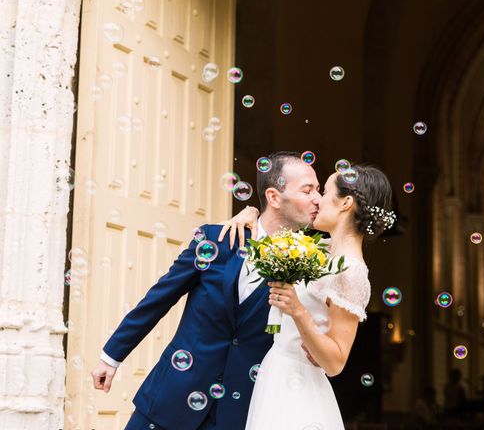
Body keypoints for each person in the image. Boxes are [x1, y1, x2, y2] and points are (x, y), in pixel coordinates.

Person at [90, 151, 322, 430]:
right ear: (273, 197)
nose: (317, 199)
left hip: (240, 412)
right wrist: (111, 356)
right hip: (172, 396)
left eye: (319, 190)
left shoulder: (311, 264)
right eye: (308, 190)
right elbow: (160, 298)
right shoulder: (218, 239)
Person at [243, 164, 395, 429]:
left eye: (324, 192)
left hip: (299, 387)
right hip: (276, 375)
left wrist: (298, 311)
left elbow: (336, 361)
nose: (317, 199)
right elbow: (272, 228)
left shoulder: (351, 271)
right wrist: (249, 213)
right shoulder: (320, 250)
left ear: (345, 203)